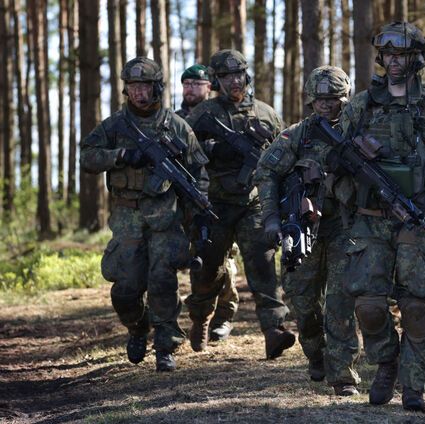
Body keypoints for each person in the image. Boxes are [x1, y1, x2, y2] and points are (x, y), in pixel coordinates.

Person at [336, 22, 425, 412]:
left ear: (416, 59)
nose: (394, 62)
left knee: (415, 306)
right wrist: (338, 168)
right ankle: (386, 364)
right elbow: (334, 153)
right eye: (389, 55)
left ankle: (414, 385)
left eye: (402, 55)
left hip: (416, 217)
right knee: (368, 305)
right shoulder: (361, 105)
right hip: (369, 218)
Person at [80, 57, 210, 372]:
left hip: (165, 216)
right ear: (126, 90)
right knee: (126, 288)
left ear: (157, 88)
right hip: (127, 217)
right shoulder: (115, 126)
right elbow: (87, 157)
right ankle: (138, 328)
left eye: (145, 86)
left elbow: (198, 173)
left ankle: (166, 346)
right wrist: (122, 155)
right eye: (133, 87)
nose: (139, 93)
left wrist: (199, 213)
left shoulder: (176, 126)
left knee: (163, 280)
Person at [255, 66, 361, 396]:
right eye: (319, 99)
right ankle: (316, 352)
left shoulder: (359, 132)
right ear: (310, 100)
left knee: (341, 302)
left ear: (345, 98)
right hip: (303, 226)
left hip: (345, 226)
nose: (326, 104)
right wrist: (272, 218)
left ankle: (343, 375)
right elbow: (266, 172)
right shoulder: (297, 135)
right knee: (302, 301)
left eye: (333, 98)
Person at [185, 49, 295, 358]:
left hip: (254, 203)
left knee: (263, 265)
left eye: (239, 75)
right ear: (216, 81)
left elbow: (286, 154)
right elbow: (184, 150)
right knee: (209, 270)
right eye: (226, 76)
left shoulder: (266, 113)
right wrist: (213, 150)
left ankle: (274, 330)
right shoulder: (204, 113)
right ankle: (201, 318)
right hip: (215, 205)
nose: (234, 81)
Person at [177, 64, 240, 342]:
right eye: (186, 84)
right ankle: (192, 318)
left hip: (219, 199)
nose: (190, 88)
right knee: (192, 260)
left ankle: (224, 316)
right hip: (184, 200)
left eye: (196, 84)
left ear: (209, 87)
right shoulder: (175, 120)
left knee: (223, 261)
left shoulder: (222, 117)